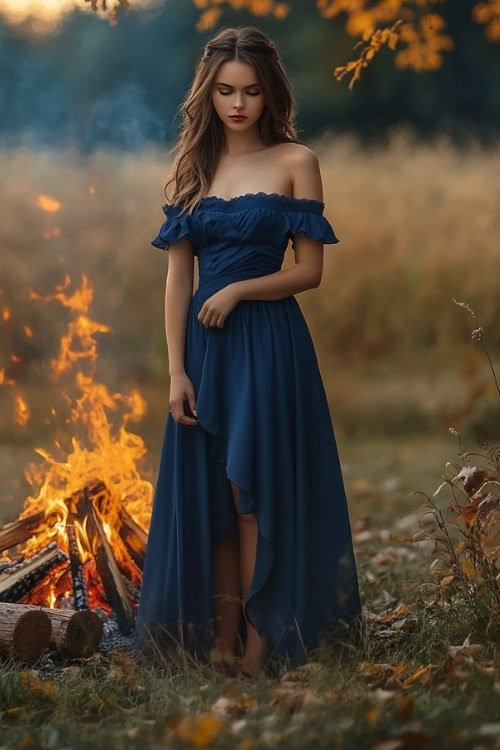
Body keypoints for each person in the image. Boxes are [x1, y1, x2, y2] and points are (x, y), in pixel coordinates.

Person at [131, 25, 362, 679]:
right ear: (209, 94)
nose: (238, 104)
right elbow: (178, 280)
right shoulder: (191, 170)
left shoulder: (297, 161)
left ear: (270, 94)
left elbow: (309, 272)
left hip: (268, 345)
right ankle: (221, 647)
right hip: (205, 350)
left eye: (252, 92)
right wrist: (176, 370)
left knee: (250, 490)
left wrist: (237, 291)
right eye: (227, 91)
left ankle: (263, 647)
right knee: (213, 499)